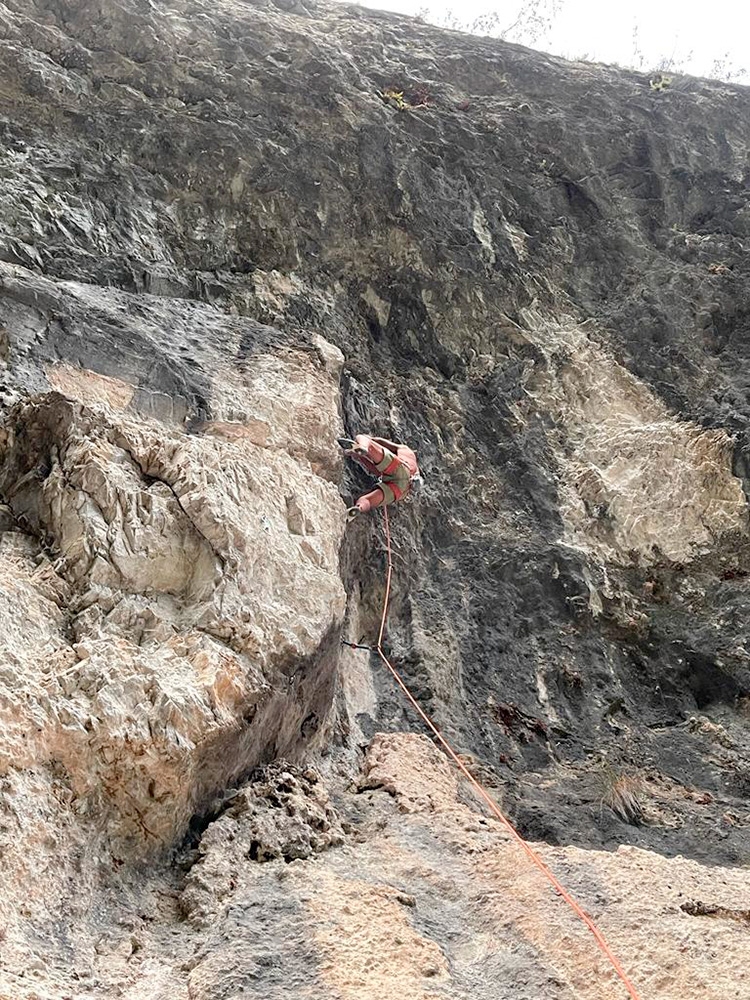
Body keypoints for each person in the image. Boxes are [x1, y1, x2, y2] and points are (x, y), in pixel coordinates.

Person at [339, 434, 421, 520]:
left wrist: (370, 439)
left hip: (401, 469)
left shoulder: (405, 450)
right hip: (401, 490)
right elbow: (377, 471)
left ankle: (363, 445)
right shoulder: (414, 467)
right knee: (368, 500)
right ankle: (359, 508)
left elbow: (380, 442)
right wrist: (361, 457)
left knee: (363, 439)